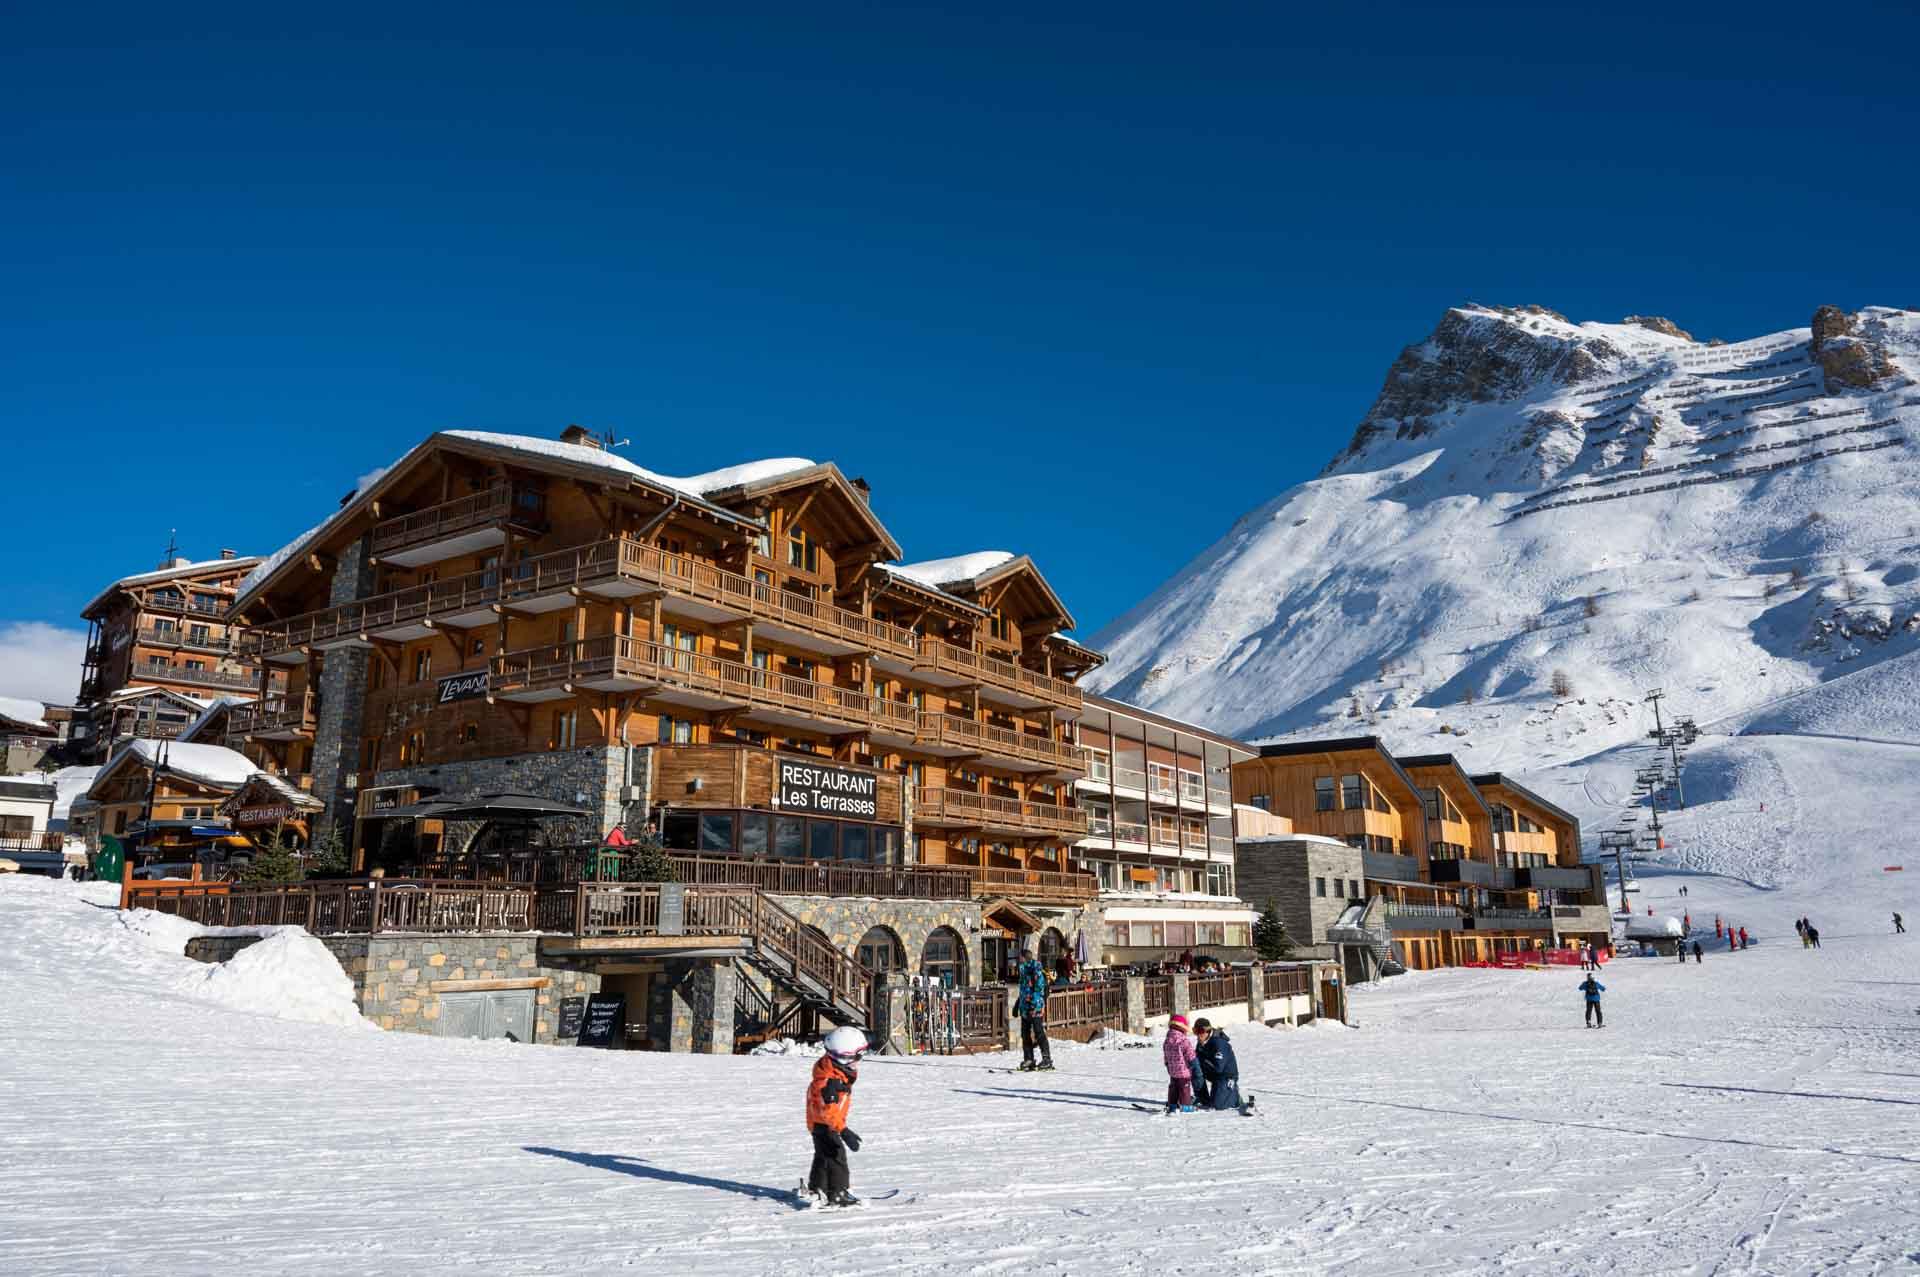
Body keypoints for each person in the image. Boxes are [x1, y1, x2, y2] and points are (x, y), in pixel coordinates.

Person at [804, 1026, 869, 1208]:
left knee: (823, 1155)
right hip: (825, 1123)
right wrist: (844, 1130)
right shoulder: (830, 1081)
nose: (859, 1061)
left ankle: (818, 1188)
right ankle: (838, 1193)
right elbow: (828, 1111)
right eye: (857, 1056)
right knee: (836, 1156)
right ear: (843, 1056)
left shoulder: (833, 1071)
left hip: (819, 1122)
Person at [1192, 1018, 1245, 1112]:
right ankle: (1202, 1099)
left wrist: (1201, 1062)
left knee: (1219, 1106)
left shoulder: (1219, 1043)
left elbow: (1218, 1068)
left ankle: (1233, 1095)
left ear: (1208, 1031)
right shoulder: (1201, 1043)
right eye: (1195, 1031)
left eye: (1200, 1031)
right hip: (1214, 1074)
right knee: (1194, 1069)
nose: (1198, 1035)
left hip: (1226, 1076)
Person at [1014, 949, 1054, 1072]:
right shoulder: (1023, 970)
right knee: (1025, 1034)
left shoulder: (1035, 970)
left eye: (1019, 957)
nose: (1017, 960)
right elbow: (1024, 990)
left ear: (1024, 958)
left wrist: (1033, 1003)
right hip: (1025, 1008)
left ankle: (1046, 1059)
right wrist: (1017, 1005)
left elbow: (1039, 989)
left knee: (1038, 1032)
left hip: (1035, 1007)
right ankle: (1029, 1059)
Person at [1162, 1014, 1198, 1112]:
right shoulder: (1183, 1040)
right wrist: (1194, 1065)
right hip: (1184, 1072)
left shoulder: (1167, 1040)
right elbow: (1190, 1055)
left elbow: (1166, 1057)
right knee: (1184, 1089)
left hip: (1172, 1071)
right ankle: (1185, 1106)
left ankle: (1172, 1105)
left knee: (1173, 1088)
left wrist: (1168, 1065)